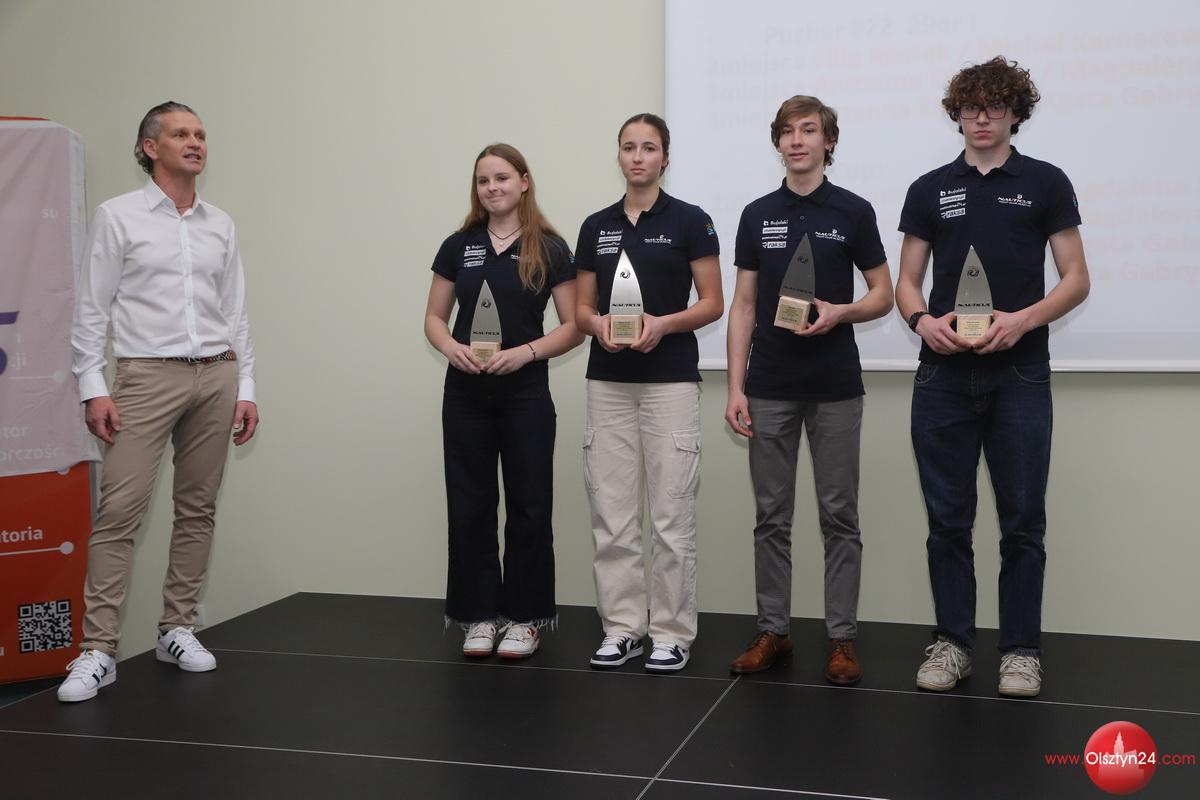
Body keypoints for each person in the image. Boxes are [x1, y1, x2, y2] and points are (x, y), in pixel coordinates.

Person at [895, 57, 1090, 697]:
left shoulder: (1045, 182)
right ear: (957, 115)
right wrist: (922, 322)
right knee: (947, 521)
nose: (982, 118)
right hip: (943, 378)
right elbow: (906, 283)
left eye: (995, 106)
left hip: (1020, 376)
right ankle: (952, 644)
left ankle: (1021, 652)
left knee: (1023, 522)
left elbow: (1076, 279)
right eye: (971, 107)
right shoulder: (929, 188)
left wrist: (1024, 320)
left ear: (1014, 113)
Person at [59, 101, 259, 703]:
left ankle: (177, 628)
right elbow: (92, 308)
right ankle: (98, 650)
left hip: (216, 376)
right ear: (151, 147)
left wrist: (246, 387)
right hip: (145, 376)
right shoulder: (117, 216)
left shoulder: (220, 224)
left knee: (198, 509)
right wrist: (93, 385)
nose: (195, 142)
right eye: (180, 134)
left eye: (200, 134)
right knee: (119, 512)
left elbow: (235, 312)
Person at [725, 96, 893, 684]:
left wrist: (842, 312)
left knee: (839, 515)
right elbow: (743, 305)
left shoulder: (853, 211)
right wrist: (735, 387)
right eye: (787, 132)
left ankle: (841, 639)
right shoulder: (757, 214)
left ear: (829, 141)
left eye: (808, 130)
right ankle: (773, 631)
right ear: (778, 142)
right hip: (769, 386)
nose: (797, 140)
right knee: (771, 516)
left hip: (835, 387)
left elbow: (883, 294)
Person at [575, 113, 723, 673]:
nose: (638, 157)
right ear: (618, 155)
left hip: (670, 384)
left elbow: (712, 303)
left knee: (670, 517)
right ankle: (622, 628)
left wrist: (663, 325)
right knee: (612, 515)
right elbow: (582, 309)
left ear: (665, 157)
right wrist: (597, 325)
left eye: (649, 147)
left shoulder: (690, 220)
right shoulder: (596, 226)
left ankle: (671, 633)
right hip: (608, 385)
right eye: (629, 147)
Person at [424, 143, 582, 659]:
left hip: (525, 394)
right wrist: (450, 348)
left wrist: (526, 353)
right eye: (483, 180)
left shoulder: (551, 248)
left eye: (501, 178)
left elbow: (574, 326)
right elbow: (434, 318)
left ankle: (525, 618)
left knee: (529, 506)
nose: (492, 188)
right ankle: (477, 615)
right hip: (465, 395)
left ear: (524, 182)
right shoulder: (458, 246)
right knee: (469, 505)